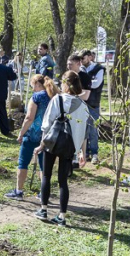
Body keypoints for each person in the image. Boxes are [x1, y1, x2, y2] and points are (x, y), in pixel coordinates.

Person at [34, 71, 90, 226]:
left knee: (46, 176)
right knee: (63, 181)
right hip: (69, 145)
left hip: (52, 143)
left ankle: (43, 209)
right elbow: (84, 132)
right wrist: (82, 152)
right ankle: (62, 216)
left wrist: (41, 145)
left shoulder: (57, 99)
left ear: (65, 83)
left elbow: (47, 124)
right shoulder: (83, 106)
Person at [5, 74, 56, 199]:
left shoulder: (36, 97)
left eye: (33, 86)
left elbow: (29, 118)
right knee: (44, 165)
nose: (33, 89)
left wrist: (21, 133)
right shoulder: (54, 97)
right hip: (47, 136)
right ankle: (44, 192)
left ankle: (19, 191)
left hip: (32, 134)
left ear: (38, 85)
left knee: (23, 162)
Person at [82, 50, 105, 163]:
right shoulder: (80, 69)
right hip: (81, 103)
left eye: (83, 57)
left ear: (90, 57)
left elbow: (96, 84)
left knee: (93, 129)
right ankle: (84, 152)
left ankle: (94, 153)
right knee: (83, 129)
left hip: (93, 103)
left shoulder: (98, 69)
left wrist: (85, 83)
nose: (81, 60)